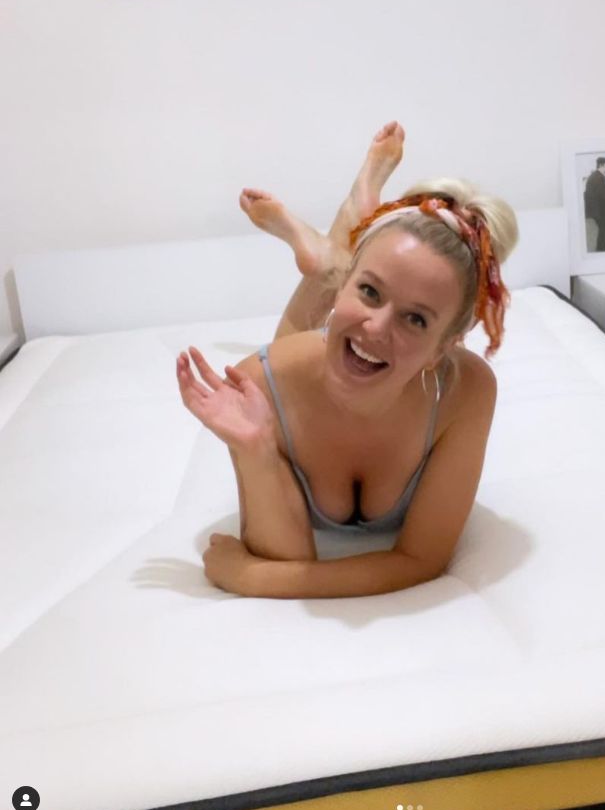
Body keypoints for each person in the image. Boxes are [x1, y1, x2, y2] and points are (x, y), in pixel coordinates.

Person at [176, 122, 519, 599]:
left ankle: (335, 245)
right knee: (295, 353)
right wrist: (256, 449)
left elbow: (422, 559)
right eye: (369, 291)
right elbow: (288, 557)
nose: (378, 328)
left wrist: (246, 576)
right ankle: (338, 243)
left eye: (416, 319)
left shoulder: (466, 392)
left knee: (339, 339)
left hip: (337, 334)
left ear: (445, 346)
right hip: (301, 362)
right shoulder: (262, 382)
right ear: (345, 286)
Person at [583, 157, 605, 252]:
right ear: (602, 165)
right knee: (604, 233)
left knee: (602, 232)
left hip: (597, 211)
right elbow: (603, 195)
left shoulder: (594, 176)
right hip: (602, 211)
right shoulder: (599, 177)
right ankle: (602, 251)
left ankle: (600, 250)